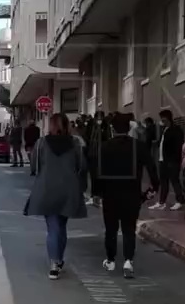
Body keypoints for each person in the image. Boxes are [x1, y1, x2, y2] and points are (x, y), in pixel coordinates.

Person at [24, 113, 87, 279]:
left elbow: (34, 167)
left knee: (53, 227)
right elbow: (81, 166)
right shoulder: (75, 143)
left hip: (47, 188)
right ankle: (59, 260)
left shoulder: (41, 143)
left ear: (50, 126)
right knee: (62, 225)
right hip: (68, 189)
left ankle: (54, 263)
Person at [96, 114, 145, 278]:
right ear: (129, 128)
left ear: (112, 129)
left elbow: (97, 171)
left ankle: (110, 260)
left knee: (110, 229)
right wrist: (154, 187)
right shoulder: (138, 146)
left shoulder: (104, 147)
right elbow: (151, 167)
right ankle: (128, 261)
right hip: (132, 193)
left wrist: (97, 192)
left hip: (110, 194)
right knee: (129, 229)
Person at [150, 110, 185, 211]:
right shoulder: (164, 129)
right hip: (163, 160)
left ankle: (179, 201)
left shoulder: (176, 130)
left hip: (172, 161)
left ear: (169, 118)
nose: (162, 120)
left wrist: (174, 160)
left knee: (174, 180)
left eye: (164, 118)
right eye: (161, 118)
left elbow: (178, 146)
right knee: (163, 181)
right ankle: (162, 202)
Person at [140, 116, 160, 200]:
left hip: (149, 152)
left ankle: (154, 186)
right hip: (152, 152)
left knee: (151, 170)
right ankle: (154, 185)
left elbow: (147, 141)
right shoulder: (155, 128)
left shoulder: (149, 130)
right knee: (152, 170)